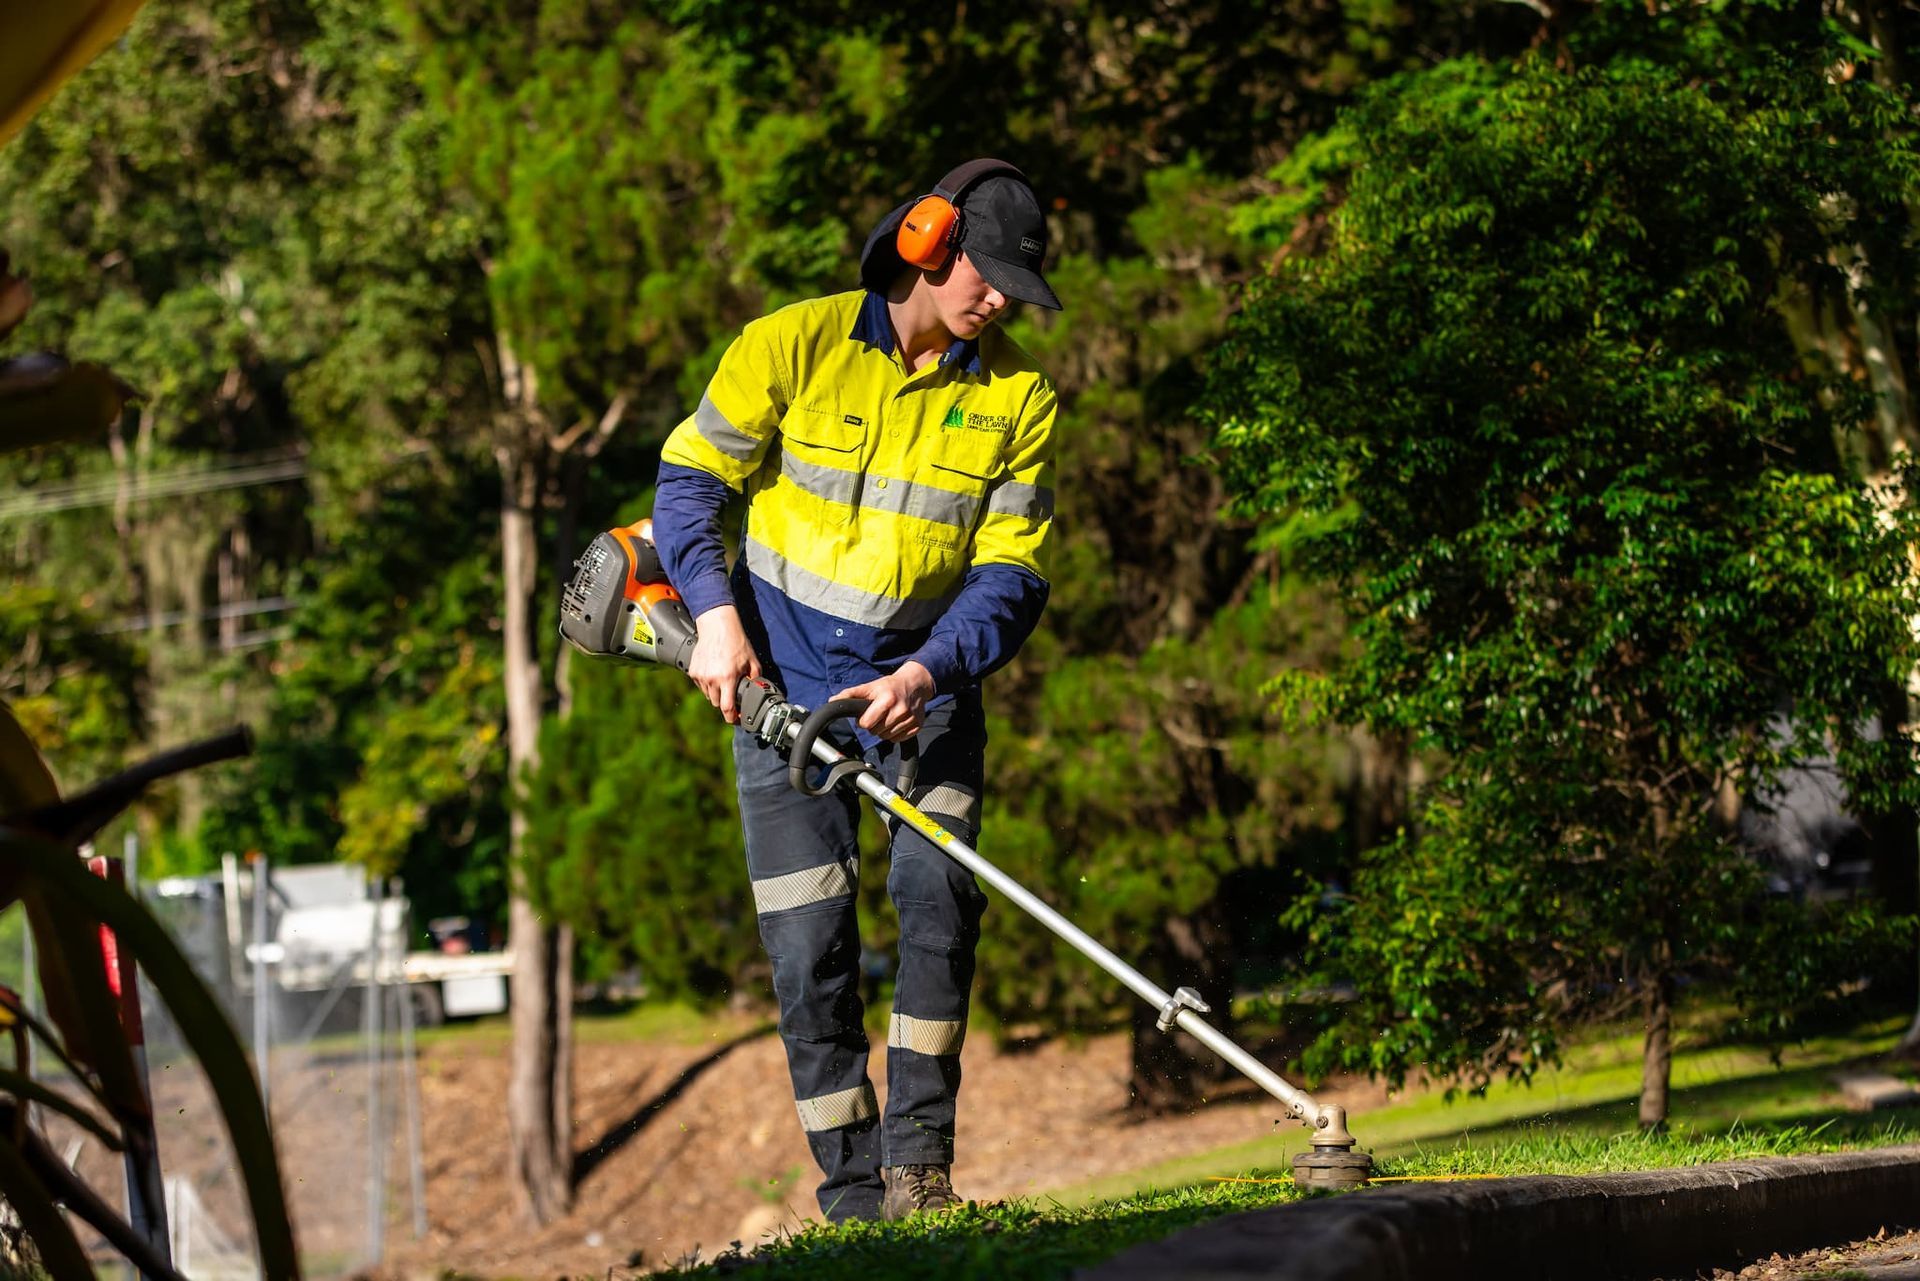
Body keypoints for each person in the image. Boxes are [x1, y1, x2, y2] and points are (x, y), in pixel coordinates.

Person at [650, 158, 1061, 1223]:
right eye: (989, 274)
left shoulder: (1018, 397)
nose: (1000, 301)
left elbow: (1012, 573)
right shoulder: (792, 343)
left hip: (928, 690)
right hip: (778, 693)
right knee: (808, 950)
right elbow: (690, 481)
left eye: (1017, 287)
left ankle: (919, 1169)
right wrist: (715, 617)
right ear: (929, 242)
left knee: (939, 905)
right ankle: (852, 1197)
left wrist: (931, 669)